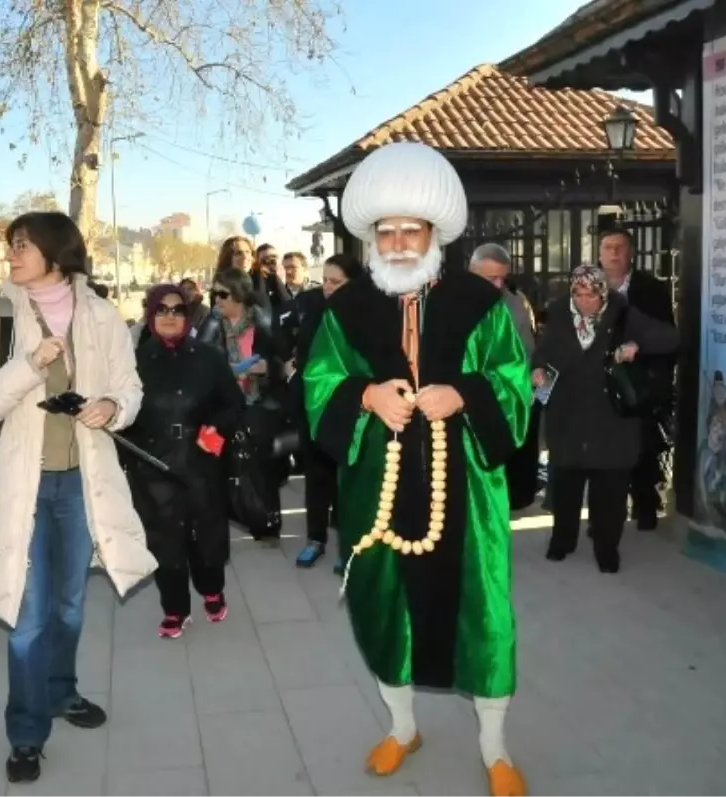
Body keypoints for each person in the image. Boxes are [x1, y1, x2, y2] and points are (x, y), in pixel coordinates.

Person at [303, 142, 532, 797]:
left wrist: (465, 393)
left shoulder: (480, 303)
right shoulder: (345, 308)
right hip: (375, 486)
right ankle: (403, 727)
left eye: (412, 229)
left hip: (465, 488)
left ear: (436, 234)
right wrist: (365, 397)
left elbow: (512, 381)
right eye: (387, 231)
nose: (399, 242)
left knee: (484, 615)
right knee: (382, 608)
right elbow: (321, 381)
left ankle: (495, 745)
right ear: (372, 237)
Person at [0, 211, 155, 784]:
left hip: (83, 485)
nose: (11, 255)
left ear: (57, 253)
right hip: (26, 487)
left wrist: (113, 408)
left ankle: (63, 691)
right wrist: (27, 366)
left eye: (22, 246)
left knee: (69, 604)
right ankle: (25, 731)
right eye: (11, 246)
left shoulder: (100, 314)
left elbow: (129, 385)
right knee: (28, 614)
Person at [532, 264, 679, 572]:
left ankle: (606, 548)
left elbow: (670, 338)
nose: (585, 302)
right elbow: (542, 351)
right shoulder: (559, 313)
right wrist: (538, 368)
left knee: (609, 491)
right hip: (569, 413)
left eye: (592, 295)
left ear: (604, 293)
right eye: (579, 294)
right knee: (567, 486)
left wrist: (637, 344)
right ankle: (562, 541)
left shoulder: (624, 314)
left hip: (611, 418)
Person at [124, 285, 244, 637]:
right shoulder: (134, 361)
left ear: (187, 315)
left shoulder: (208, 357)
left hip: (201, 462)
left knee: (206, 538)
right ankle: (174, 608)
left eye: (177, 310)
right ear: (150, 315)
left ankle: (211, 587)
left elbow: (234, 404)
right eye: (161, 310)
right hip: (153, 465)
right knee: (164, 541)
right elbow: (121, 413)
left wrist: (215, 431)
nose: (169, 316)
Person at [199, 266, 286, 545]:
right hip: (221, 406)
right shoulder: (212, 325)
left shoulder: (262, 323)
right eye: (214, 294)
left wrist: (266, 368)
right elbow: (197, 361)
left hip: (258, 404)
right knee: (214, 462)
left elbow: (281, 362)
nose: (217, 300)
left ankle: (266, 521)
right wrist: (226, 372)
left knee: (259, 465)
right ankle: (225, 517)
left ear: (238, 295)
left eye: (223, 294)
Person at [598, 228, 675, 529]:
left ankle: (644, 510)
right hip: (599, 381)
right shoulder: (587, 285)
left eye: (620, 247)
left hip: (638, 382)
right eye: (608, 247)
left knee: (641, 449)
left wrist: (642, 353)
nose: (614, 253)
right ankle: (606, 518)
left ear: (631, 253)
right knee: (605, 451)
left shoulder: (651, 289)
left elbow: (669, 336)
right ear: (600, 253)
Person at [293, 253, 363, 571]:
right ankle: (315, 539)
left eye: (337, 282)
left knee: (346, 479)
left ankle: (348, 546)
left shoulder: (366, 315)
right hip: (312, 405)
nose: (329, 287)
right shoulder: (312, 307)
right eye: (326, 280)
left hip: (349, 406)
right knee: (316, 475)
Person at [469, 244, 541, 510]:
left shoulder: (515, 304)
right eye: (490, 278)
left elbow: (527, 351)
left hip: (504, 394)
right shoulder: (450, 302)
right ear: (472, 271)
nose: (498, 285)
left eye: (503, 278)